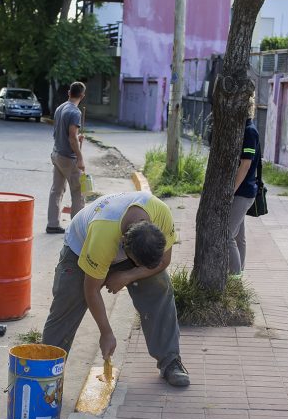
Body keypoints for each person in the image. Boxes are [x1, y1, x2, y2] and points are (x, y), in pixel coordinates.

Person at [41, 191, 190, 387]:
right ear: (125, 250)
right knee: (66, 306)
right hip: (80, 250)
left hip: (126, 246)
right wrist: (106, 332)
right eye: (134, 263)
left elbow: (164, 261)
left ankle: (170, 360)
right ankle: (46, 371)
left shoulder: (161, 214)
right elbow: (91, 291)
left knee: (159, 286)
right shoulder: (103, 234)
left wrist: (128, 275)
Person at [47, 81, 87, 234]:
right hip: (68, 158)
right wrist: (80, 158)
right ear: (82, 96)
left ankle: (52, 224)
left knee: (56, 190)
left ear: (69, 92)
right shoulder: (75, 112)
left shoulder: (60, 108)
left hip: (56, 154)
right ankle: (76, 229)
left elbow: (65, 133)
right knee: (78, 191)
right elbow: (71, 137)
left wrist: (77, 137)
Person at [228, 98, 261, 275]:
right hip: (243, 190)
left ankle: (235, 276)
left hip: (243, 192)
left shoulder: (249, 131)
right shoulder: (245, 129)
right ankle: (238, 274)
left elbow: (245, 164)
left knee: (227, 235)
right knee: (239, 236)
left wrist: (231, 190)